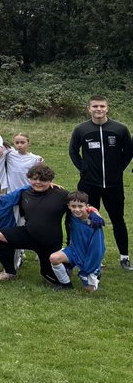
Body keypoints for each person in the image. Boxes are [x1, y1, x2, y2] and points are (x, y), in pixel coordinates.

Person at [69, 95, 133, 270]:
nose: (99, 109)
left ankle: (124, 257)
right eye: (95, 106)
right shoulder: (81, 129)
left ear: (107, 108)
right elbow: (73, 151)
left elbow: (128, 152)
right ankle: (84, 255)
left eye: (102, 106)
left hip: (114, 185)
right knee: (86, 219)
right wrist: (83, 169)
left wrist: (118, 169)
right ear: (89, 109)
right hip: (89, 185)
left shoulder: (120, 129)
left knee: (118, 220)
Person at [0, 164, 71, 286]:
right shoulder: (24, 193)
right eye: (34, 179)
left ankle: (65, 267)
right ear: (29, 179)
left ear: (50, 181)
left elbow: (80, 205)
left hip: (49, 242)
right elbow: (3, 201)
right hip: (28, 235)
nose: (38, 182)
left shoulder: (61, 194)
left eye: (43, 180)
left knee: (51, 279)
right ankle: (9, 272)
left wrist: (93, 212)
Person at [49, 191, 106, 292]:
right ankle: (66, 284)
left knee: (88, 290)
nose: (77, 209)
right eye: (73, 206)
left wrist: (87, 269)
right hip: (74, 250)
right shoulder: (71, 216)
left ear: (86, 206)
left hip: (89, 256)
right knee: (54, 258)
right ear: (69, 206)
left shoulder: (95, 223)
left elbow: (97, 250)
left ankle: (95, 274)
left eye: (80, 206)